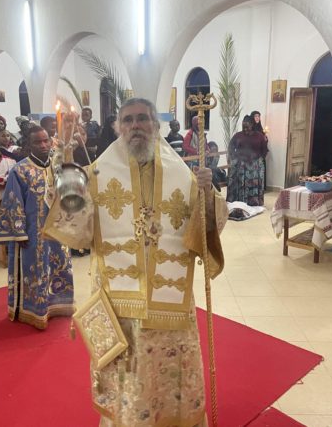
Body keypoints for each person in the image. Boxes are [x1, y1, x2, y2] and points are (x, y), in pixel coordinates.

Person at [44, 98, 228, 426]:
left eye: (143, 118)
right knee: (127, 380)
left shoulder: (181, 173)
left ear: (155, 125)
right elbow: (75, 224)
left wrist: (207, 193)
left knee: (172, 376)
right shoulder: (98, 173)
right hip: (120, 304)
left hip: (170, 302)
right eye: (128, 120)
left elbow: (205, 229)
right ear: (118, 127)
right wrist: (63, 165)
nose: (135, 126)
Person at [0, 126, 75, 328]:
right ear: (29, 144)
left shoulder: (58, 166)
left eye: (46, 140)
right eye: (38, 142)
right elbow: (13, 201)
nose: (44, 145)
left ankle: (59, 304)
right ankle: (34, 309)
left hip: (57, 229)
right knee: (36, 269)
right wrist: (19, 232)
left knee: (59, 265)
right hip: (32, 232)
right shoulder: (20, 170)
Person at [226, 115, 268, 206]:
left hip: (255, 166)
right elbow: (231, 147)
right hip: (240, 165)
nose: (245, 129)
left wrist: (259, 160)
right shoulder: (238, 135)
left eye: (247, 127)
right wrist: (234, 158)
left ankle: (254, 203)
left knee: (253, 184)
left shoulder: (259, 136)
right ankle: (238, 202)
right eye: (243, 127)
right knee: (238, 182)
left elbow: (264, 150)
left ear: (252, 125)